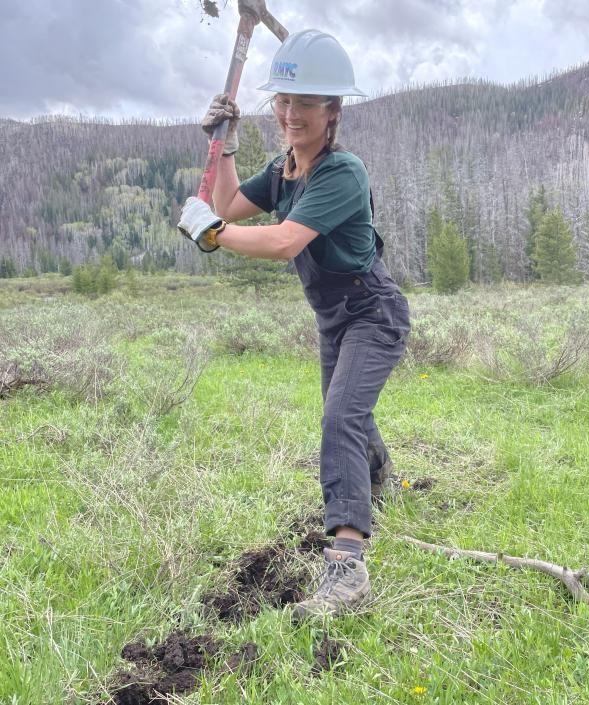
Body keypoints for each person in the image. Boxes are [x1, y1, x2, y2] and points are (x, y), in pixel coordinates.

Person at [178, 29, 411, 619]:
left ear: (334, 110)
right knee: (349, 412)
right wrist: (224, 145)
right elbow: (231, 205)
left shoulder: (341, 172)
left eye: (306, 103)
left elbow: (281, 242)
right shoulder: (283, 170)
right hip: (334, 318)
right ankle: (377, 477)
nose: (290, 113)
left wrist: (211, 233)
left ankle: (347, 566)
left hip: (372, 312)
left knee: (340, 416)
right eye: (283, 100)